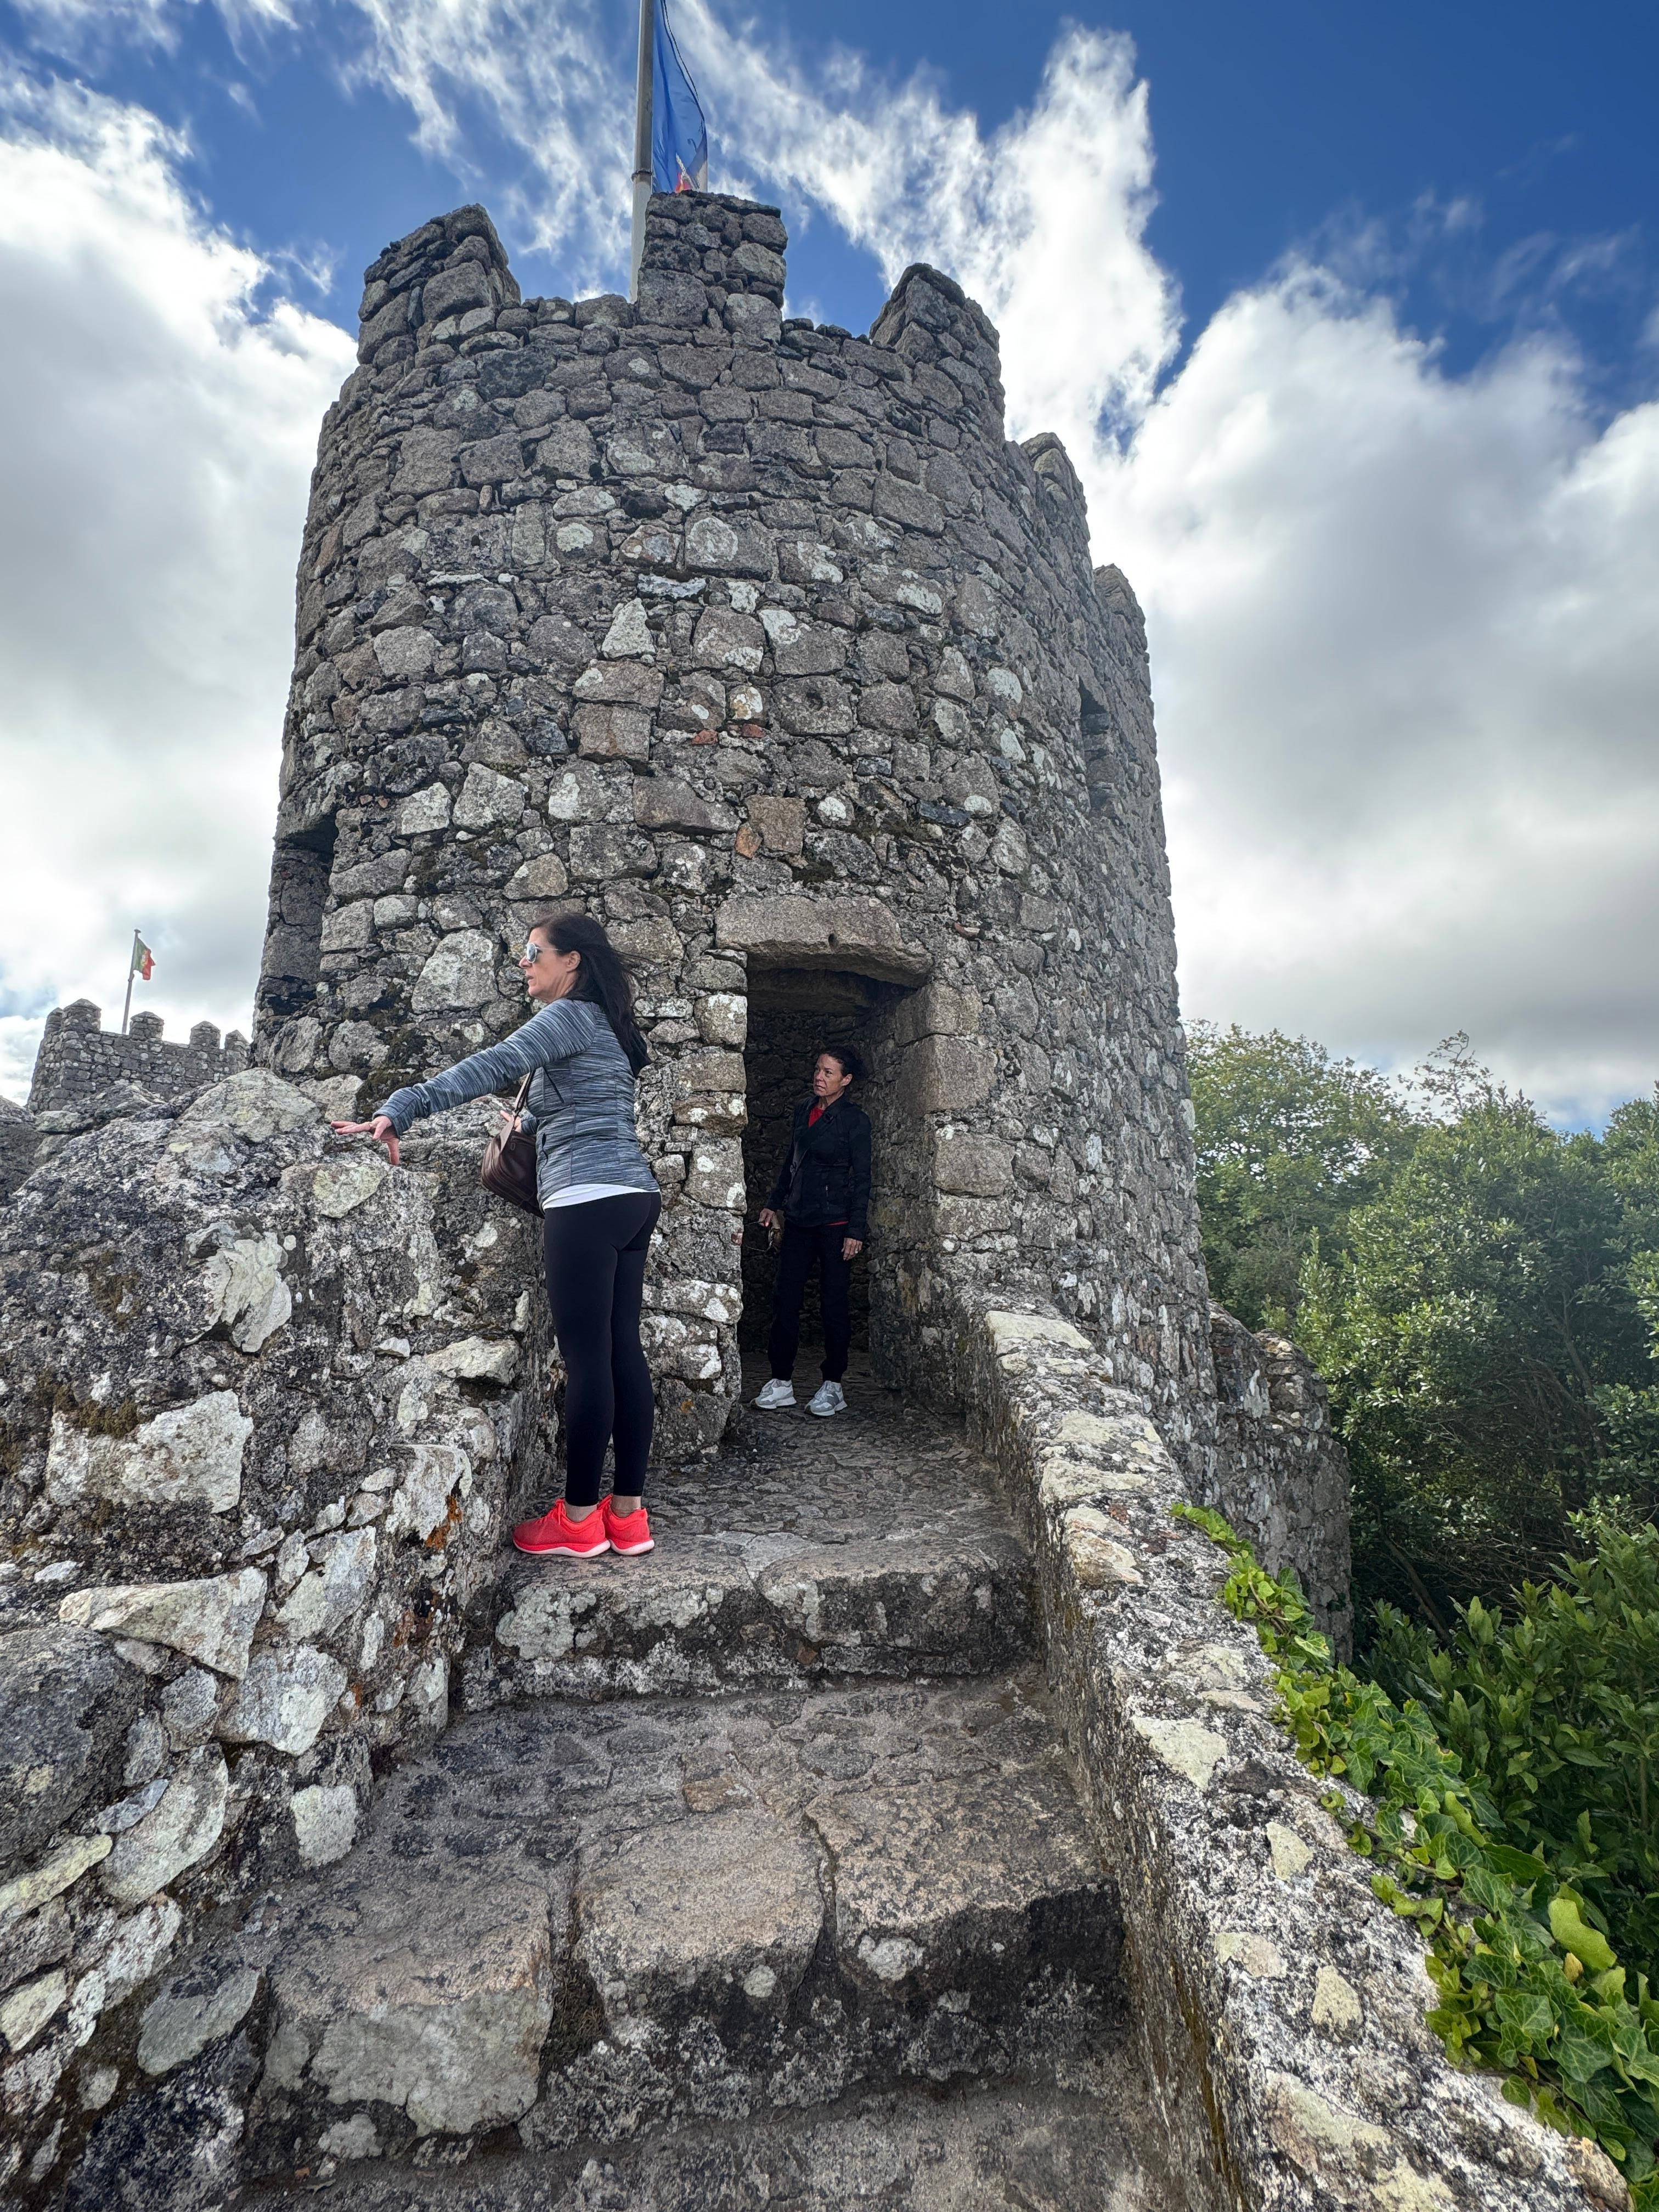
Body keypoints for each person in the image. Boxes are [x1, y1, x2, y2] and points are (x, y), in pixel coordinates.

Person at [332, 913, 661, 1561]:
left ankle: (575, 1521)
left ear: (572, 962)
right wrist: (529, 1114)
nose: (524, 962)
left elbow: (492, 1063)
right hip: (633, 1195)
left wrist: (400, 1107)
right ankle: (628, 1517)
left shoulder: (567, 1017)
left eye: (534, 951)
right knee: (625, 1350)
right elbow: (583, 1106)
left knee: (589, 1360)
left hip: (585, 1198)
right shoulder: (610, 1029)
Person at [753, 1046, 871, 1418]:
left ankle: (833, 1385)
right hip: (800, 1219)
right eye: (818, 1069)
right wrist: (774, 1204)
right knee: (785, 1300)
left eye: (829, 1072)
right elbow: (792, 1161)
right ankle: (781, 1382)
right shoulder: (804, 1110)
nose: (820, 1076)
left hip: (836, 1225)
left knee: (834, 1304)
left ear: (846, 1080)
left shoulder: (856, 1121)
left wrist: (856, 1229)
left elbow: (863, 1179)